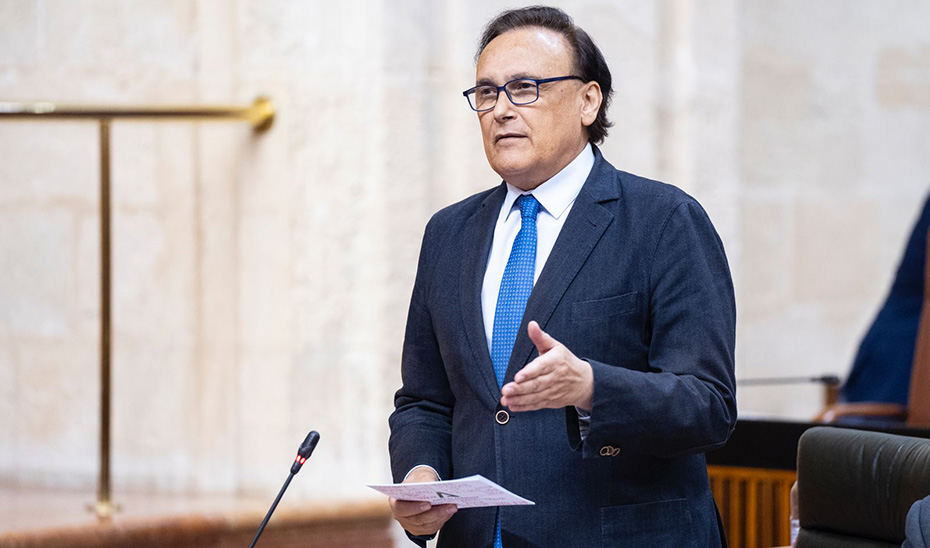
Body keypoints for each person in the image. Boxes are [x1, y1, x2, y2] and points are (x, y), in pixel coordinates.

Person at [388, 6, 737, 547]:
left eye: (525, 88)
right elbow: (425, 400)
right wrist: (422, 478)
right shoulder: (448, 234)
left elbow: (708, 406)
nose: (501, 109)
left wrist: (593, 387)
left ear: (588, 100)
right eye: (486, 93)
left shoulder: (664, 219)